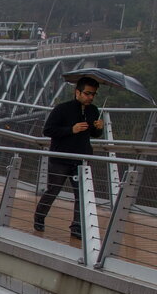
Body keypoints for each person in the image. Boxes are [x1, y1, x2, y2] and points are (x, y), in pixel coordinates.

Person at [33, 77, 104, 240]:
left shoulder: (93, 110)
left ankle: (76, 227)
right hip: (61, 158)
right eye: (87, 93)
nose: (90, 97)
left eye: (93, 94)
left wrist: (99, 129)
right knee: (53, 190)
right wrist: (71, 129)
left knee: (80, 194)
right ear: (77, 92)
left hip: (82, 158)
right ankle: (39, 217)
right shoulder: (62, 109)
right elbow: (48, 130)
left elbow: (92, 133)